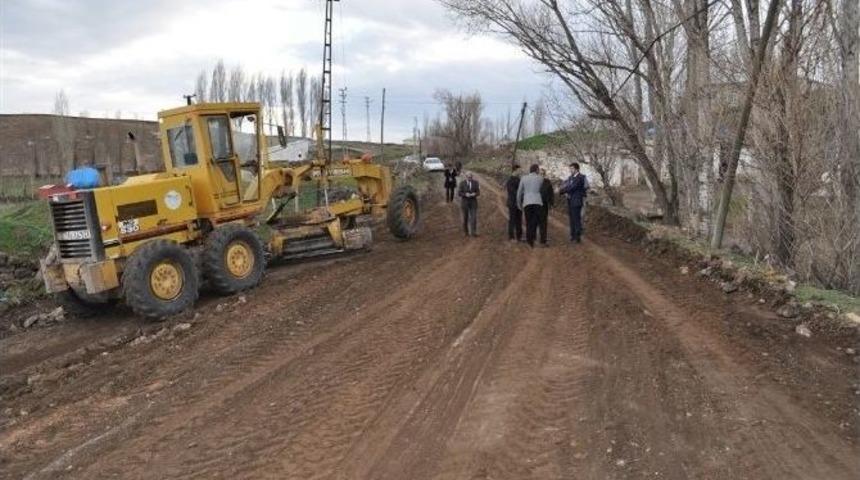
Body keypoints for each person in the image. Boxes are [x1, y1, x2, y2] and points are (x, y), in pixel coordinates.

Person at [517, 164, 544, 248]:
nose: (539, 170)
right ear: (536, 170)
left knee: (528, 221)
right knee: (535, 221)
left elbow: (519, 192)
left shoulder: (523, 178)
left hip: (527, 202)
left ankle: (529, 240)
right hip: (537, 202)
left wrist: (519, 203)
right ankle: (533, 237)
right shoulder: (540, 178)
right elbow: (541, 190)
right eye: (538, 169)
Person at [559, 162, 587, 243]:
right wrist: (562, 188)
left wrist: (561, 191)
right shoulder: (570, 177)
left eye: (572, 169)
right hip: (570, 201)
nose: (570, 170)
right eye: (570, 168)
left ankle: (577, 237)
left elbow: (572, 187)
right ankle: (573, 235)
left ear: (577, 169)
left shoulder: (581, 177)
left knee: (576, 219)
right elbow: (566, 184)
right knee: (571, 219)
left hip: (577, 201)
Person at [459, 172, 480, 237]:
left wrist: (475, 194)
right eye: (468, 177)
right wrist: (465, 194)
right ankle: (466, 232)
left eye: (470, 177)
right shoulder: (462, 183)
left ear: (472, 177)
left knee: (473, 218)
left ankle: (473, 232)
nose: (469, 178)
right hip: (465, 203)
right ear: (466, 177)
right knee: (465, 218)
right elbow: (459, 193)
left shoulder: (476, 183)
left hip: (473, 202)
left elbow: (478, 192)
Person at [505, 164, 523, 242]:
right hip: (512, 203)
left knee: (519, 220)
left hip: (519, 203)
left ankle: (519, 237)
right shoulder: (510, 180)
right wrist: (521, 194)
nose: (521, 171)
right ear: (515, 170)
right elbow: (513, 192)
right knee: (512, 220)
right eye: (519, 170)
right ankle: (511, 237)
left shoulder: (519, 179)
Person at [538, 168, 555, 246]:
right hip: (535, 204)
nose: (542, 175)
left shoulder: (548, 182)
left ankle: (543, 240)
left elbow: (551, 193)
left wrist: (551, 204)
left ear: (544, 174)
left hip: (544, 205)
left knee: (543, 222)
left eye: (543, 173)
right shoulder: (534, 181)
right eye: (540, 173)